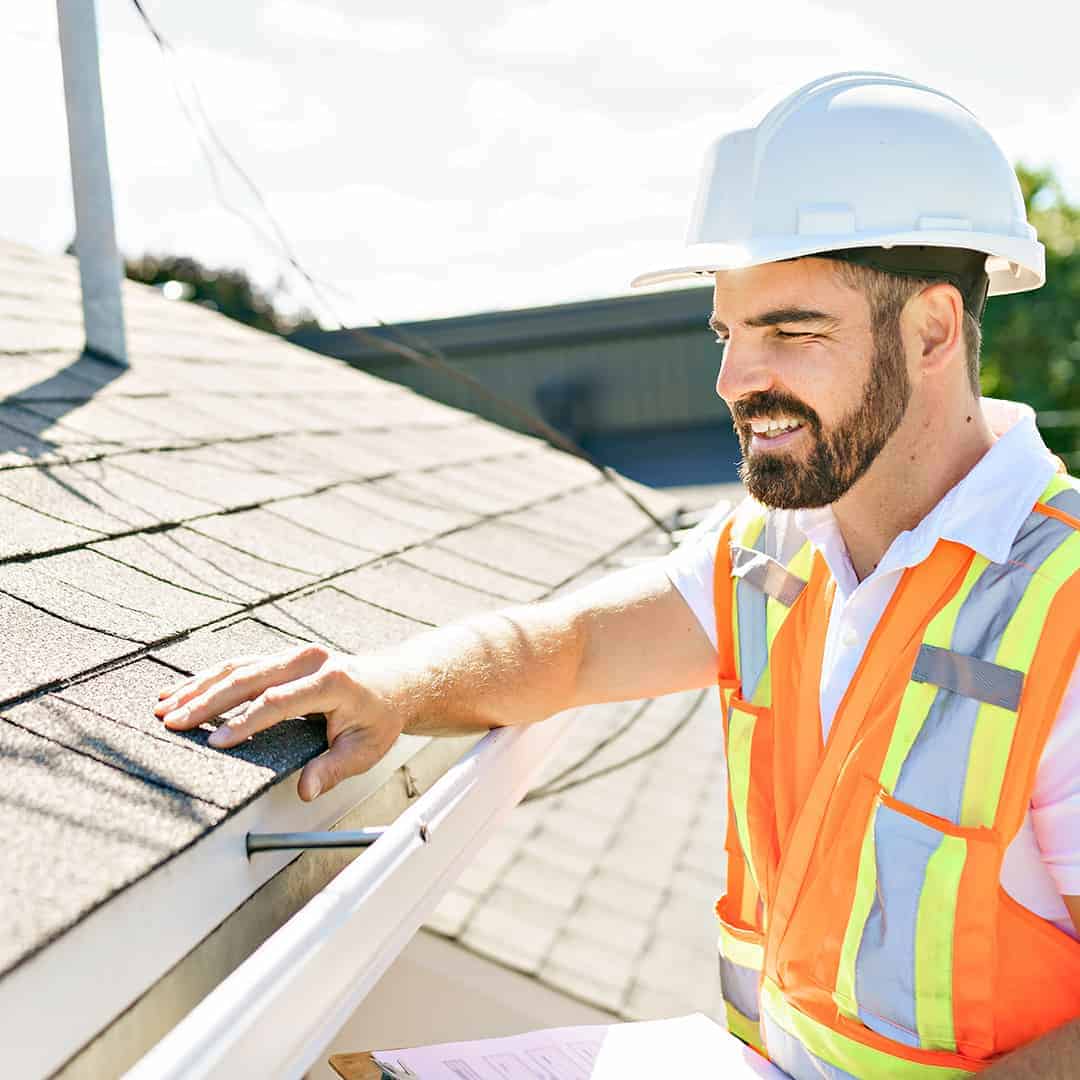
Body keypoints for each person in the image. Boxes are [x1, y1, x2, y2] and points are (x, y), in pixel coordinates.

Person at [154, 72, 1080, 1077]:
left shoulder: (1060, 604)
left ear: (934, 331)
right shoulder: (778, 552)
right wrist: (389, 686)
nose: (732, 380)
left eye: (790, 331)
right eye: (729, 331)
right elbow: (576, 647)